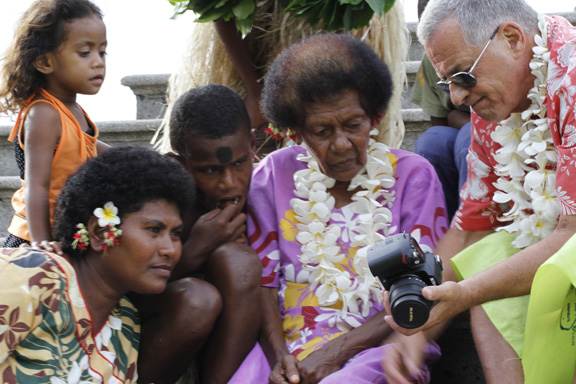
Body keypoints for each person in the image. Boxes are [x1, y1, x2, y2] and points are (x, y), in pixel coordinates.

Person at [228, 33, 448, 384]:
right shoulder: (272, 175)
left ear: (374, 117)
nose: (342, 143)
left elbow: (424, 290)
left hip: (383, 346)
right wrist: (282, 358)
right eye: (322, 130)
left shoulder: (413, 176)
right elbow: (264, 286)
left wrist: (335, 353)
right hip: (284, 345)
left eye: (353, 125)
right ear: (297, 131)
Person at [382, 1, 576, 383]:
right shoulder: (492, 106)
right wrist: (419, 319)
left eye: (462, 75)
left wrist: (465, 293)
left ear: (512, 39)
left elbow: (573, 236)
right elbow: (472, 224)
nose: (455, 98)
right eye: (446, 83)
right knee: (487, 258)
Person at [0, 145, 195, 383]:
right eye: (154, 230)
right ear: (100, 232)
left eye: (175, 234)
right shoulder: (26, 278)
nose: (170, 249)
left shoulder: (124, 324)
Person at [153, 0, 409, 158]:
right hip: (257, 43)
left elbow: (353, 11)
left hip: (331, 40)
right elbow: (222, 7)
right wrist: (255, 94)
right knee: (259, 139)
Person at [132, 84, 262, 384]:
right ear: (178, 164)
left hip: (227, 353)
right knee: (197, 299)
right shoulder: (157, 205)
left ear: (252, 145)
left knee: (237, 261)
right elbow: (124, 296)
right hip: (156, 339)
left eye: (240, 163)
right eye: (210, 171)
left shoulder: (267, 191)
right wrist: (194, 252)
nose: (230, 183)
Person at [0, 0, 110, 249]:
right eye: (85, 53)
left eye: (102, 52)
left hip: (64, 233)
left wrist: (147, 161)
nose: (98, 62)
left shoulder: (73, 110)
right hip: (32, 239)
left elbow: (90, 147)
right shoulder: (43, 113)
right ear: (45, 63)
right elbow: (37, 185)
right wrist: (41, 243)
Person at [411, 0, 471, 221]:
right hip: (461, 131)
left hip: (497, 131)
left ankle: (473, 223)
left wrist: (461, 120)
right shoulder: (431, 58)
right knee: (431, 142)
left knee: (470, 135)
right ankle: (442, 224)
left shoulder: (484, 46)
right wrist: (456, 118)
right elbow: (439, 123)